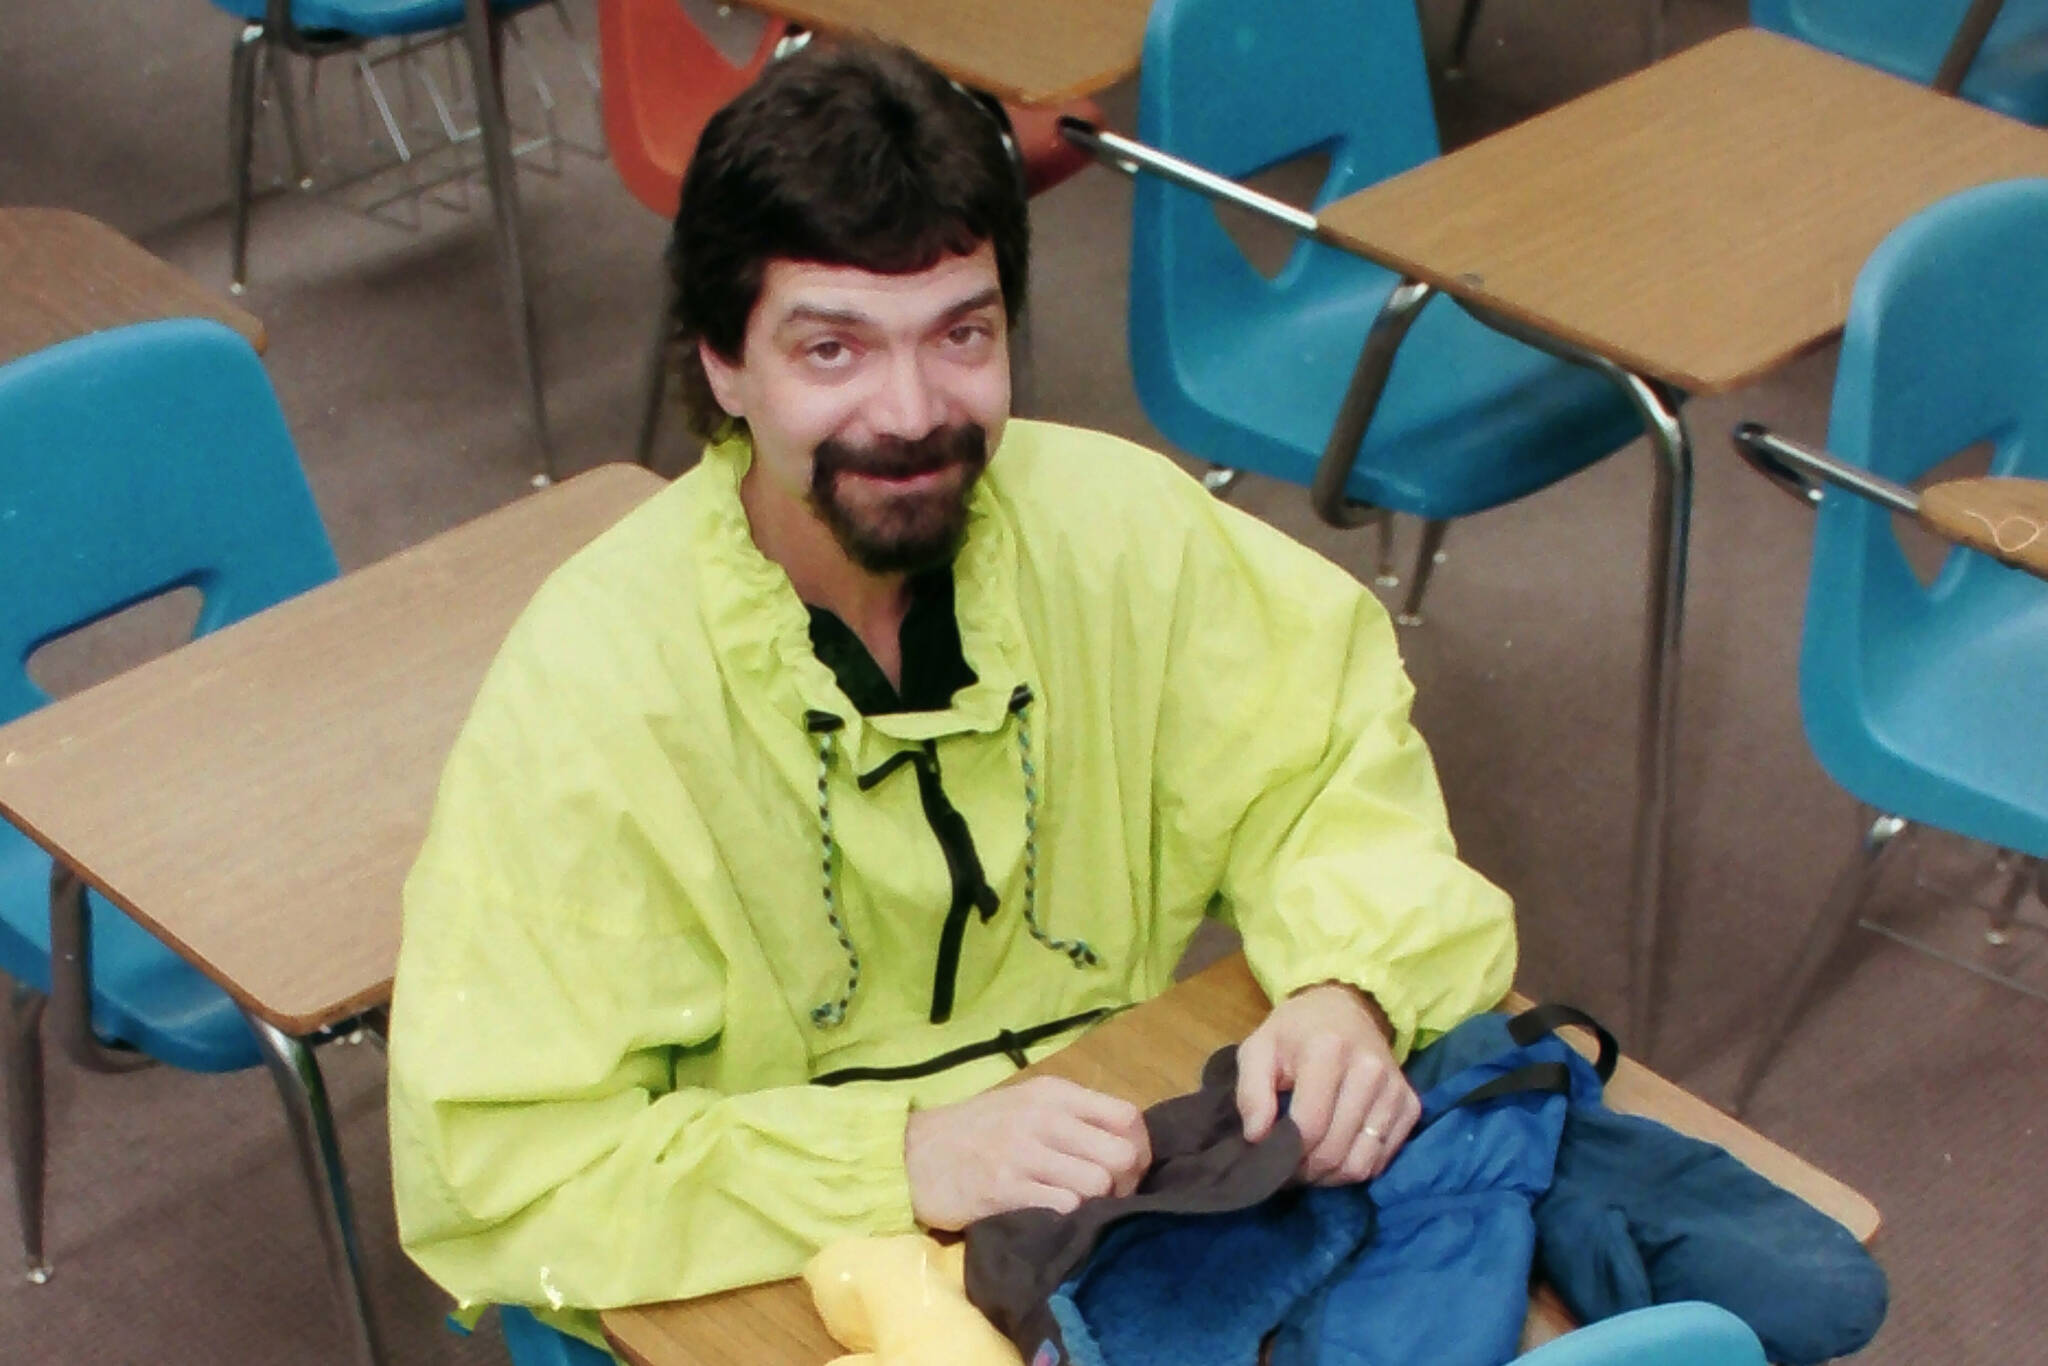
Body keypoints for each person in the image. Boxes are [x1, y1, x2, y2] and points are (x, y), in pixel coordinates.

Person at [386, 38, 1515, 1353]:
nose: (913, 410)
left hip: (1090, 1212)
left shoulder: (1116, 533)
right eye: (832, 349)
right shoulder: (594, 695)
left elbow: (1323, 761)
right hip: (749, 1281)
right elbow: (514, 1162)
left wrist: (1346, 984)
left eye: (962, 334)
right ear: (721, 364)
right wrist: (901, 1156)